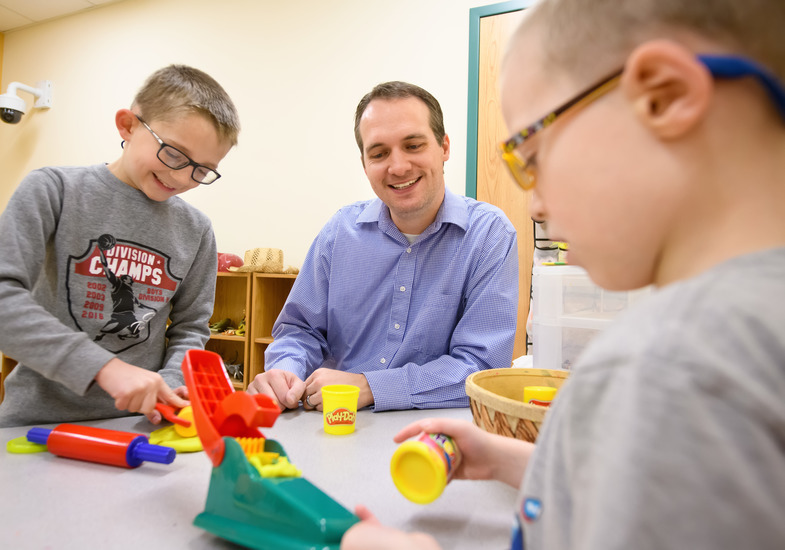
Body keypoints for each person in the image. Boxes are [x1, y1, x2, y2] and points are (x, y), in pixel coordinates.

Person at [341, 0, 785, 548]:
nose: (536, 205)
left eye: (533, 153)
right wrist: (521, 461)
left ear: (663, 97)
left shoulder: (671, 369)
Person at [247, 81, 518, 412]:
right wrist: (284, 372)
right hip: (331, 427)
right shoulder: (338, 233)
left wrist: (371, 386)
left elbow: (480, 367)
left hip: (435, 438)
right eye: (379, 153)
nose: (398, 167)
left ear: (444, 147)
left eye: (413, 145)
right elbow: (300, 331)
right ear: (364, 163)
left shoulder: (489, 235)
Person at [0, 65, 240, 427]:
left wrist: (173, 388)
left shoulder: (197, 230)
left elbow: (191, 327)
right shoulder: (53, 190)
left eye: (202, 170)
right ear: (128, 125)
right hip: (36, 424)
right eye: (173, 154)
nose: (182, 177)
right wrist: (104, 368)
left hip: (139, 426)